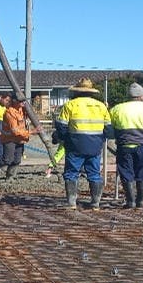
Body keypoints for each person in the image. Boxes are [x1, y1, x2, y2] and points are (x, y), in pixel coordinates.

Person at [54, 78, 112, 210]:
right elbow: (109, 130)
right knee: (94, 173)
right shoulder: (101, 106)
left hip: (75, 144)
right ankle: (95, 203)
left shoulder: (70, 105)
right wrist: (101, 139)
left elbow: (61, 127)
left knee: (71, 173)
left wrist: (64, 139)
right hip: (95, 145)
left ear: (77, 92)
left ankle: (71, 202)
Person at [109, 82, 143, 209]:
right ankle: (140, 202)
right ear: (142, 96)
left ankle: (130, 201)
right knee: (142, 173)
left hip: (124, 146)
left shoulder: (117, 109)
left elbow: (109, 130)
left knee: (126, 172)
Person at [0, 98, 38, 178]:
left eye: (24, 101)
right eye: (20, 101)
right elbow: (15, 131)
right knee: (7, 160)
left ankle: (10, 177)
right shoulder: (10, 112)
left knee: (17, 160)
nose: (23, 102)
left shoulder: (23, 110)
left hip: (19, 139)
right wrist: (31, 132)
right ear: (14, 101)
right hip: (9, 138)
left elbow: (32, 115)